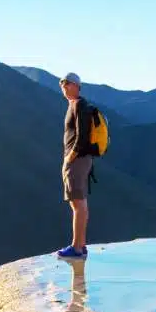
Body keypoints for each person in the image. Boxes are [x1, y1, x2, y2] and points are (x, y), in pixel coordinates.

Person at [57, 72, 93, 259]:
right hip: (79, 160)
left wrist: (71, 157)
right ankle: (81, 244)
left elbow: (82, 135)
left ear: (77, 86)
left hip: (77, 160)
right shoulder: (74, 105)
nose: (64, 86)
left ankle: (76, 248)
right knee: (79, 203)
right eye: (62, 83)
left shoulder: (79, 105)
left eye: (68, 83)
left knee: (77, 204)